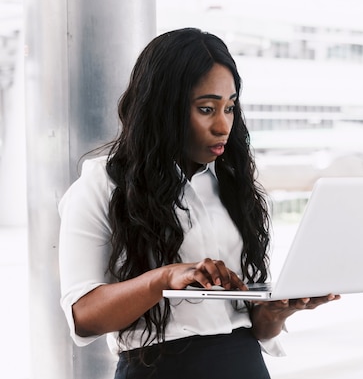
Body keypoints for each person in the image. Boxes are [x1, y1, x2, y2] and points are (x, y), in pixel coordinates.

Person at [58, 28, 340, 379]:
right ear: (163, 108)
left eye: (230, 107)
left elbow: (253, 328)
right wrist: (164, 278)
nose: (223, 126)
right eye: (206, 109)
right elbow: (83, 317)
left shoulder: (236, 189)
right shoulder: (102, 185)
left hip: (244, 365)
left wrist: (278, 310)